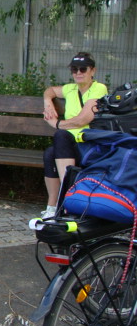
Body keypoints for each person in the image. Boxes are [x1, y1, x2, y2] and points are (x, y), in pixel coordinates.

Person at [41, 52, 108, 218]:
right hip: (69, 146)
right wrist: (48, 103)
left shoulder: (99, 89)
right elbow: (49, 91)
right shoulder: (70, 89)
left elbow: (82, 120)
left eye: (83, 69)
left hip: (88, 144)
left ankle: (68, 200)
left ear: (92, 71)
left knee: (61, 135)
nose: (78, 72)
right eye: (74, 69)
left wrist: (56, 124)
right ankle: (52, 207)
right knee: (49, 153)